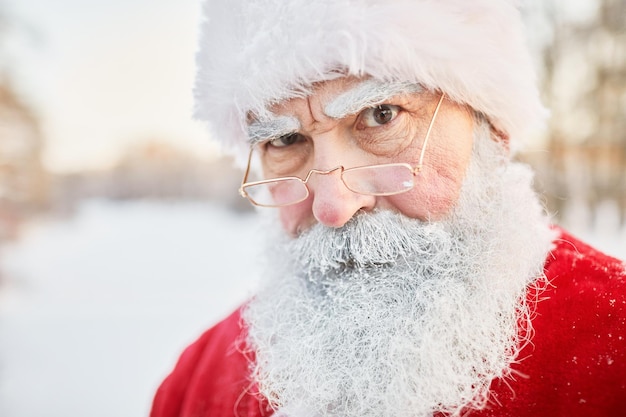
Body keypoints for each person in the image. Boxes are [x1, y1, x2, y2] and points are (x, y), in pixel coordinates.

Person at [150, 1, 626, 416]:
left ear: (492, 132)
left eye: (381, 116)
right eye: (285, 139)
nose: (333, 208)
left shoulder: (613, 349)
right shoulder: (197, 383)